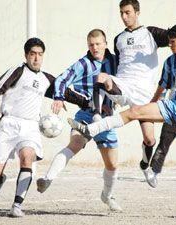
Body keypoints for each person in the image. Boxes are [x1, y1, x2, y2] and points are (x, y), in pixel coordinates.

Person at [67, 23, 176, 211]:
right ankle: (91, 129)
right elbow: (163, 85)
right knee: (135, 112)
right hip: (173, 105)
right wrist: (150, 104)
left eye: (173, 42)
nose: (170, 45)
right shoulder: (171, 61)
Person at [90, 0, 176, 181]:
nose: (124, 17)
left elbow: (173, 36)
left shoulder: (151, 33)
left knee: (150, 140)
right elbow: (117, 66)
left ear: (137, 12)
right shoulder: (119, 39)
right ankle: (96, 116)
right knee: (102, 78)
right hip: (124, 85)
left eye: (127, 12)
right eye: (122, 13)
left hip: (145, 94)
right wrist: (112, 96)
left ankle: (144, 164)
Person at [0, 38, 89, 217]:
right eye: (32, 54)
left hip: (30, 127)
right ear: (26, 55)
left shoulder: (46, 79)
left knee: (27, 157)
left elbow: (66, 93)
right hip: (8, 124)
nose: (36, 58)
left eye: (40, 55)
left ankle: (17, 205)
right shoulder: (17, 71)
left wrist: (89, 104)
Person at [36, 29, 122, 212]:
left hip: (106, 120)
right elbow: (61, 79)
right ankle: (47, 179)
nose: (95, 48)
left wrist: (119, 99)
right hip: (85, 115)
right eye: (91, 45)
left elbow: (126, 81)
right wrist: (58, 97)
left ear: (105, 43)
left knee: (112, 164)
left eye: (98, 44)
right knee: (74, 144)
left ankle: (107, 196)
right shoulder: (83, 64)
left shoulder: (116, 62)